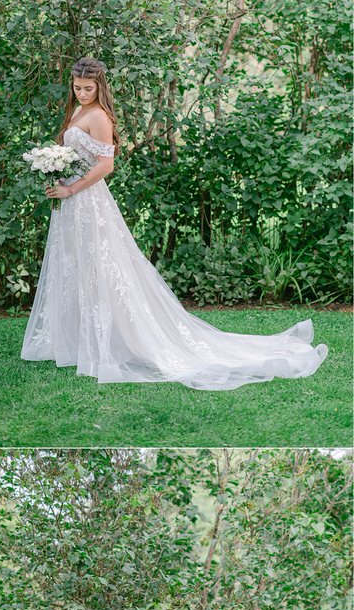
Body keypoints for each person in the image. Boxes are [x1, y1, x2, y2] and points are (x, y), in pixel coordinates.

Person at [21, 57, 328, 389]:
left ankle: (120, 340)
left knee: (103, 266)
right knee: (74, 266)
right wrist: (55, 169)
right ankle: (77, 341)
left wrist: (72, 187)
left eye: (88, 89)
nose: (81, 93)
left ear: (100, 87)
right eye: (77, 88)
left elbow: (106, 165)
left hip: (87, 200)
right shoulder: (79, 112)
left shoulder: (98, 116)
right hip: (70, 202)